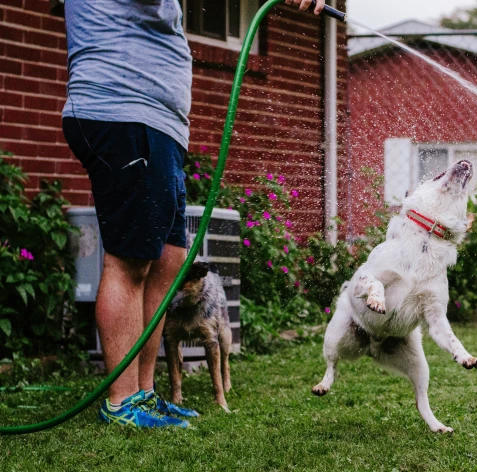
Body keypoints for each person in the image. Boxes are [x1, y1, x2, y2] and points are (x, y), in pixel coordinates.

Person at [62, 0, 324, 429]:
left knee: (169, 260)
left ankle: (144, 393)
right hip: (123, 108)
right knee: (130, 261)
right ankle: (122, 402)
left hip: (154, 121)